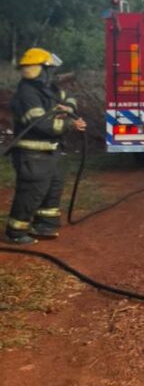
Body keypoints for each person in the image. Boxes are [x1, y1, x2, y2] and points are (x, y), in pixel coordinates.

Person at [4, 48, 87, 245]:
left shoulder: (47, 88)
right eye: (50, 69)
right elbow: (41, 124)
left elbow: (69, 96)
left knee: (53, 186)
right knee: (32, 191)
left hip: (49, 151)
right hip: (32, 153)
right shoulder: (27, 93)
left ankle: (44, 224)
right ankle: (15, 232)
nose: (53, 73)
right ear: (41, 70)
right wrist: (70, 124)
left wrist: (69, 108)